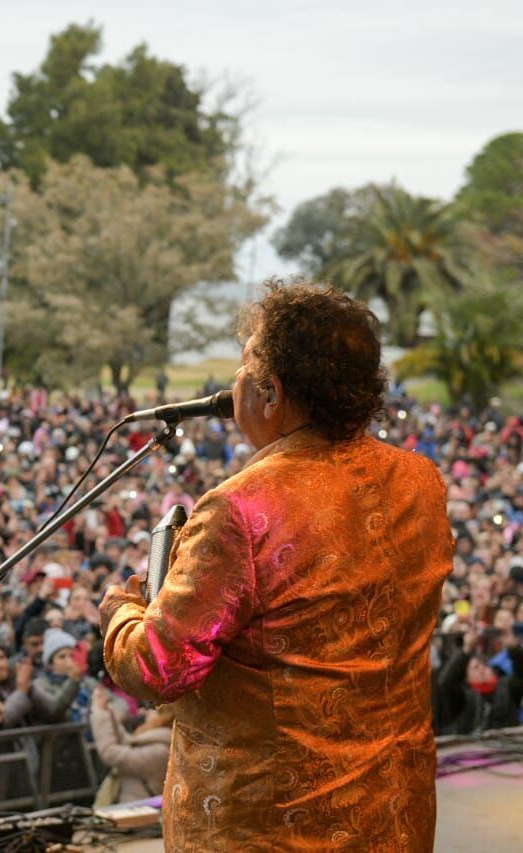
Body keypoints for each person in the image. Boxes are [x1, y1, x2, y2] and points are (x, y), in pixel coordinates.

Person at [99, 282, 453, 849]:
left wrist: (123, 606)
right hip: (393, 811)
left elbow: (157, 669)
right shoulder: (420, 481)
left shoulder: (242, 507)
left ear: (272, 395)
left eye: (245, 367)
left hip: (271, 823)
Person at [89, 685, 173, 803]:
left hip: (141, 816)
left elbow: (111, 753)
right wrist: (107, 711)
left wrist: (99, 712)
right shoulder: (161, 741)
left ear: (164, 717)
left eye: (152, 710)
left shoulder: (161, 751)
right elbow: (126, 741)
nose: (146, 713)